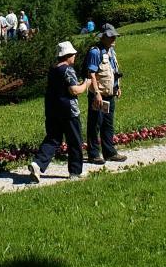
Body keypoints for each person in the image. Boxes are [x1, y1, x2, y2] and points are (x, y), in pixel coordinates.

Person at [28, 41, 88, 182]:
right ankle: (75, 172)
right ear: (68, 56)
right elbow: (74, 90)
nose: (74, 57)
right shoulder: (68, 70)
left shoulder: (53, 69)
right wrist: (86, 84)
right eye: (73, 54)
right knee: (74, 140)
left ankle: (38, 163)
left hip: (52, 109)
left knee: (53, 138)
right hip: (68, 111)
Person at [85, 23, 127, 164]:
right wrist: (96, 93)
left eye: (114, 35)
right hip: (98, 96)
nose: (114, 38)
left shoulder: (111, 51)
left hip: (110, 95)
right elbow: (91, 74)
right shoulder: (95, 52)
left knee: (108, 125)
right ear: (102, 37)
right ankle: (93, 154)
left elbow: (113, 71)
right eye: (110, 36)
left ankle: (110, 152)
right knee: (95, 124)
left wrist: (117, 87)